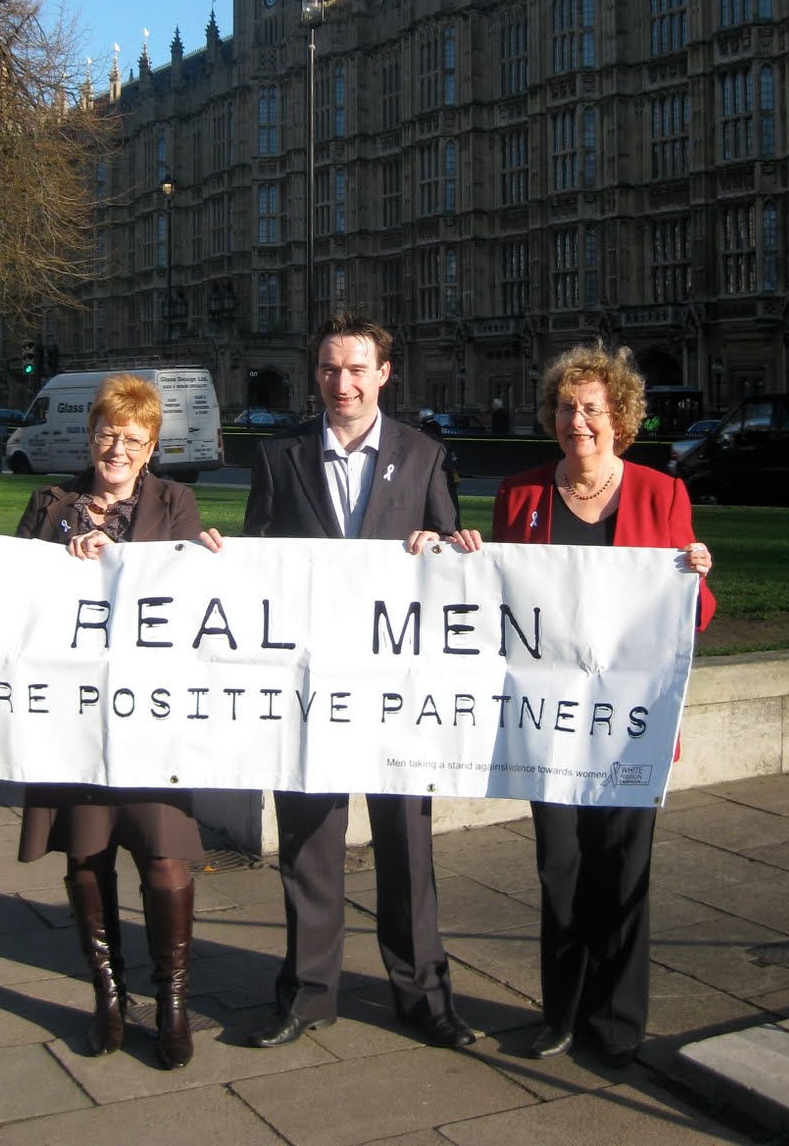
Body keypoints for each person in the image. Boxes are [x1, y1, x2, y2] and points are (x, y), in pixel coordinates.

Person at [0, 374, 223, 1069]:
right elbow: (7, 595)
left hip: (149, 720)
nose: (118, 448)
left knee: (166, 858)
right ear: (90, 437)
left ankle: (172, 1003)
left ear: (152, 449)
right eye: (108, 434)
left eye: (133, 439)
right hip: (68, 722)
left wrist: (210, 565)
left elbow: (185, 591)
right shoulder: (49, 504)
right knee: (87, 859)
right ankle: (108, 997)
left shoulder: (178, 504)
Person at [243, 309, 481, 1051]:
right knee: (308, 842)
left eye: (355, 369)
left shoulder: (423, 456)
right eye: (327, 369)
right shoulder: (278, 455)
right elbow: (254, 565)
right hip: (310, 688)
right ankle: (308, 994)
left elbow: (450, 556)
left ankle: (423, 995)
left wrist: (447, 544)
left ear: (384, 374)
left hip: (397, 692)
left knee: (407, 847)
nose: (340, 383)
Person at [491, 343, 714, 1068]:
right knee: (560, 868)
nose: (577, 421)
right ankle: (561, 1012)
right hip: (550, 725)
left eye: (591, 408)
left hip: (627, 729)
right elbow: (495, 602)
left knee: (622, 871)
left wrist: (698, 577)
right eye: (565, 407)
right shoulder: (521, 495)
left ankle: (616, 1022)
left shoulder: (661, 494)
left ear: (619, 417)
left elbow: (695, 616)